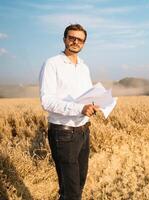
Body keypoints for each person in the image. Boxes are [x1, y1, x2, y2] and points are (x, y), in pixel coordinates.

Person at [39, 24, 99, 200]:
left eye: (80, 39)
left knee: (77, 184)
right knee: (72, 191)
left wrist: (94, 104)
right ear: (64, 39)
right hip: (63, 133)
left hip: (83, 131)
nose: (75, 41)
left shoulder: (84, 67)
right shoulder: (52, 64)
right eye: (72, 37)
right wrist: (80, 108)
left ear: (84, 43)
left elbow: (87, 96)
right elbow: (47, 101)